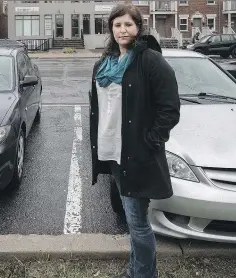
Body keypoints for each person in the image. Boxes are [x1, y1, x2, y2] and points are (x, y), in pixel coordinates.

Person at [89, 3, 180, 278]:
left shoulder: (149, 60)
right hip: (112, 152)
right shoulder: (105, 63)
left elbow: (170, 108)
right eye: (117, 25)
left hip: (137, 154)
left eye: (128, 24)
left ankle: (141, 275)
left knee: (138, 223)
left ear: (138, 27)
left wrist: (151, 140)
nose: (122, 30)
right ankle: (138, 271)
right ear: (111, 29)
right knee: (133, 221)